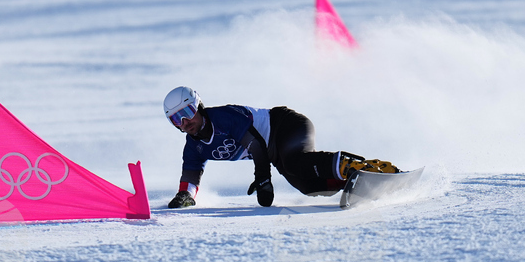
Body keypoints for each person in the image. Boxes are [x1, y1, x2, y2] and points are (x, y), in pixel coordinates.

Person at [163, 86, 400, 209]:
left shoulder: (223, 118)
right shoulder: (193, 147)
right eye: (176, 119)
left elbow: (255, 145)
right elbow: (191, 178)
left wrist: (263, 179)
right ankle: (354, 180)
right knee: (306, 186)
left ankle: (353, 166)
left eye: (186, 113)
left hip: (285, 125)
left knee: (297, 162)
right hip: (274, 151)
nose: (185, 123)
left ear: (198, 106)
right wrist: (185, 196)